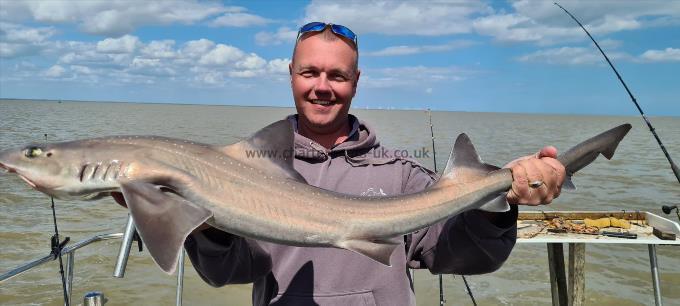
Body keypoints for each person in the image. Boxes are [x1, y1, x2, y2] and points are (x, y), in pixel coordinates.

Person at [153, 22, 564, 305]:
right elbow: (229, 272)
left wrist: (499, 202)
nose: (322, 87)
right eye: (309, 72)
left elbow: (469, 257)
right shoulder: (249, 169)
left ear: (356, 81)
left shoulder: (400, 173)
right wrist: (203, 225)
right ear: (291, 75)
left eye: (337, 75)